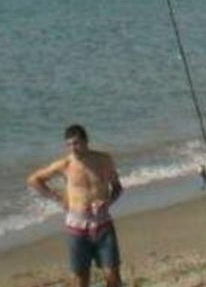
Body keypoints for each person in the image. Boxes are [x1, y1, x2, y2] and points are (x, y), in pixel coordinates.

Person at [27, 123, 125, 287]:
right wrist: (57, 198)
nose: (73, 148)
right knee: (80, 279)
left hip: (103, 224)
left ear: (86, 141)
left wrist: (108, 202)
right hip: (77, 227)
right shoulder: (65, 164)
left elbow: (117, 187)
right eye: (69, 145)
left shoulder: (103, 159)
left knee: (113, 276)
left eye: (76, 143)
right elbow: (34, 180)